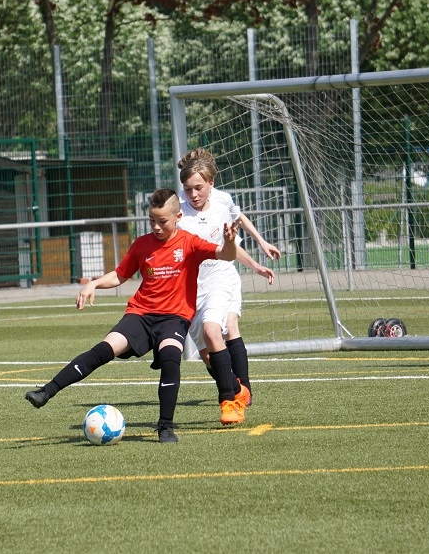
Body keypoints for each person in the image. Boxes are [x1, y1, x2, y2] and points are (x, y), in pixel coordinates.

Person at [24, 188, 239, 443]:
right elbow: (120, 275)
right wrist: (94, 283)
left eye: (162, 221)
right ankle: (46, 392)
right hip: (140, 314)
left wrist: (229, 241)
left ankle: (165, 427)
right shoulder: (142, 244)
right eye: (152, 220)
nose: (156, 227)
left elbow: (226, 255)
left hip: (174, 318)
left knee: (171, 357)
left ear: (178, 217)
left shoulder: (189, 243)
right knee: (103, 350)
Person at [176, 148, 276, 424]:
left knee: (224, 328)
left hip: (221, 278)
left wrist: (257, 255)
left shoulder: (222, 202)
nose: (193, 194)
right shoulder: (178, 211)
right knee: (206, 352)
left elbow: (229, 244)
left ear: (211, 183)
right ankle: (236, 387)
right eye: (188, 189)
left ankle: (233, 397)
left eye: (198, 188)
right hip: (192, 288)